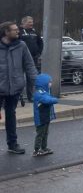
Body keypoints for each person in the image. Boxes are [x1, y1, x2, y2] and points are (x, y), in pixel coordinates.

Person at [0, 20, 38, 154]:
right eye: (15, 29)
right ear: (6, 32)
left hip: (15, 88)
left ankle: (12, 144)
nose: (18, 31)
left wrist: (37, 83)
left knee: (11, 115)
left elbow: (29, 65)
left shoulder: (21, 45)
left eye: (18, 29)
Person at [32, 73, 58, 157]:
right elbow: (47, 100)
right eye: (49, 82)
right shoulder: (39, 93)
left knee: (45, 133)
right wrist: (55, 99)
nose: (51, 84)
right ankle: (36, 150)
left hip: (45, 117)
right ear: (44, 83)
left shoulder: (45, 92)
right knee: (40, 134)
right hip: (40, 118)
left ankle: (44, 148)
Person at [19, 15, 43, 102]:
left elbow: (40, 42)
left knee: (31, 78)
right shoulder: (20, 32)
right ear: (24, 23)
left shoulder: (35, 32)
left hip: (33, 58)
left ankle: (31, 96)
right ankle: (19, 96)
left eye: (32, 22)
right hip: (21, 59)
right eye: (29, 22)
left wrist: (39, 52)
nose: (31, 24)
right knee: (20, 78)